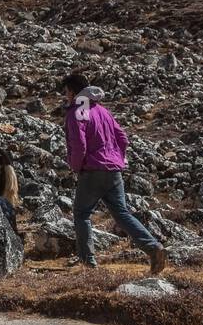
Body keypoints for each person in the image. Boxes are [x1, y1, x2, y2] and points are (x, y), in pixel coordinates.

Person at [61, 73, 167, 274]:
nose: (65, 96)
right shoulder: (102, 110)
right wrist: (118, 158)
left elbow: (79, 144)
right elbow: (122, 138)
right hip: (114, 169)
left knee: (82, 214)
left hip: (92, 169)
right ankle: (153, 247)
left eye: (66, 92)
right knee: (122, 214)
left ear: (73, 92)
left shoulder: (78, 111)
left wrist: (77, 167)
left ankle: (88, 262)